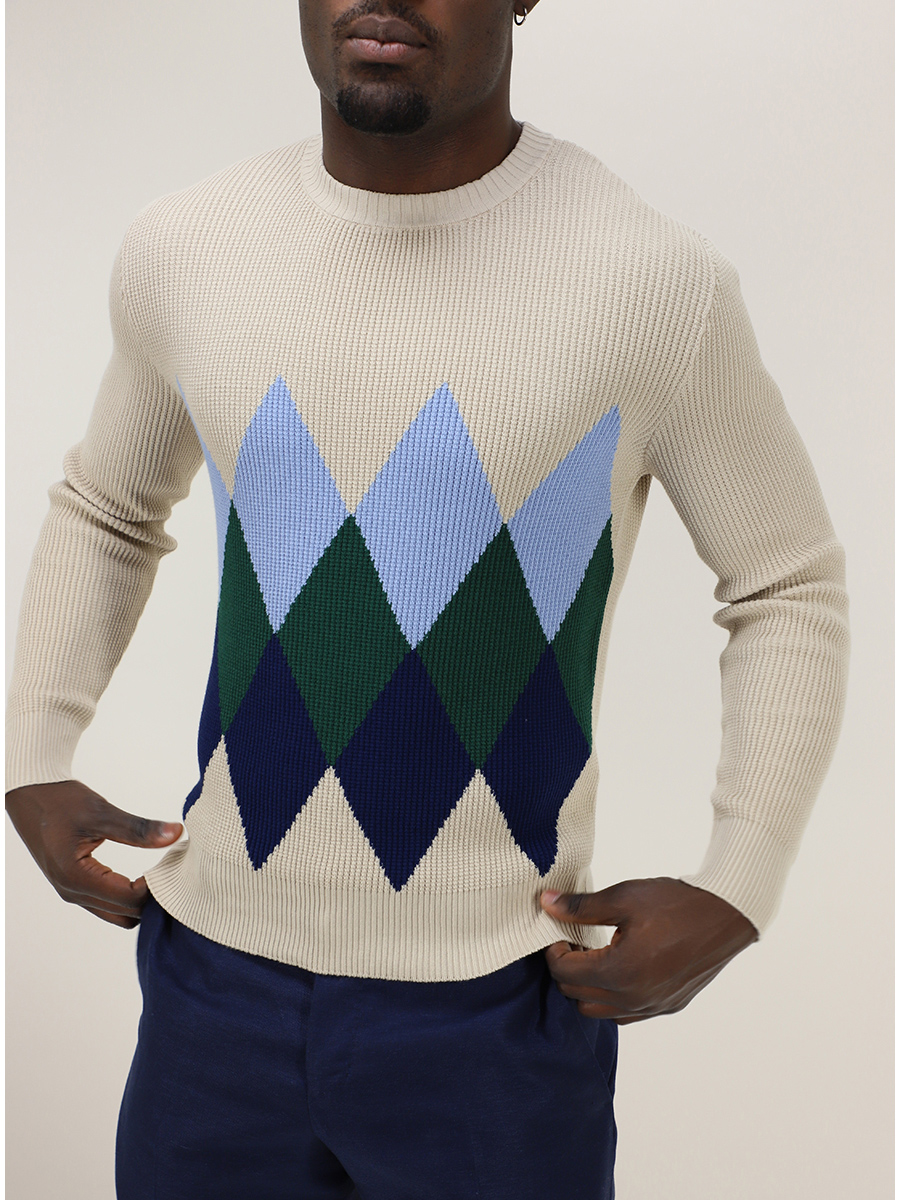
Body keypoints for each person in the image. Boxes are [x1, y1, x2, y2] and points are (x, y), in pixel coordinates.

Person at [5, 1, 850, 1197]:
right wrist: (31, 751)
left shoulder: (653, 280)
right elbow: (107, 505)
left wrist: (740, 881)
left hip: (497, 1017)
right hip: (207, 994)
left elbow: (785, 579)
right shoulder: (188, 246)